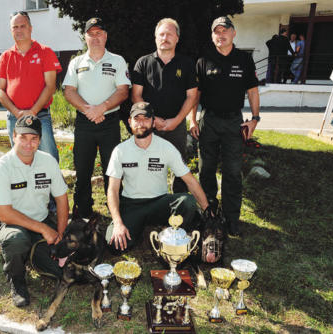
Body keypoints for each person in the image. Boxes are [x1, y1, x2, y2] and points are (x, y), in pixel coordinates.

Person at [0, 115, 69, 307]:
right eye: (23, 137)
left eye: (33, 139)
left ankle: (34, 255)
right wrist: (43, 229)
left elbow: (62, 199)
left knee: (60, 271)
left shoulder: (48, 161)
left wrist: (61, 234)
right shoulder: (1, 168)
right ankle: (17, 282)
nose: (28, 143)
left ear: (40, 140)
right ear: (14, 136)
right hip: (11, 225)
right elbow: (5, 213)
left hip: (42, 220)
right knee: (16, 241)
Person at [105, 102, 211, 251]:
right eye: (137, 119)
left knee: (188, 202)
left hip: (160, 203)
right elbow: (112, 190)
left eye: (146, 118)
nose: (141, 123)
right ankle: (144, 230)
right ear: (130, 122)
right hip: (132, 205)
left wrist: (208, 210)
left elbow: (190, 181)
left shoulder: (166, 147)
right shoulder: (120, 150)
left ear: (153, 122)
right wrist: (117, 222)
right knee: (114, 244)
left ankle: (168, 233)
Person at [190, 16, 260, 236]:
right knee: (206, 170)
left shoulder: (244, 59)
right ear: (212, 35)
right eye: (216, 32)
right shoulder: (203, 60)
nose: (220, 35)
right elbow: (196, 94)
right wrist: (192, 120)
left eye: (225, 30)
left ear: (233, 33)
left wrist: (255, 118)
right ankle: (209, 213)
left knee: (232, 171)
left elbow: (252, 91)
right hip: (208, 120)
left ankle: (232, 218)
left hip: (233, 122)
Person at [62, 17, 131, 219]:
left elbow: (123, 91)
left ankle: (115, 210)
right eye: (91, 34)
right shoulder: (76, 62)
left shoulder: (117, 61)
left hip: (109, 122)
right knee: (83, 169)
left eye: (99, 33)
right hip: (84, 123)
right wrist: (88, 110)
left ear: (105, 36)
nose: (95, 37)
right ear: (85, 37)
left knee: (113, 169)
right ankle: (82, 212)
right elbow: (69, 91)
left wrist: (102, 108)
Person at [132, 18, 198, 193]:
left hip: (176, 127)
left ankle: (180, 206)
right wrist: (152, 119)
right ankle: (149, 202)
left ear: (177, 38)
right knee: (148, 166)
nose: (165, 37)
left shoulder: (187, 64)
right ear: (155, 38)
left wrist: (176, 121)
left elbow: (191, 96)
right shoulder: (143, 63)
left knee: (180, 169)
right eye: (161, 34)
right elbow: (136, 95)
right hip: (148, 125)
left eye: (169, 34)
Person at [0, 11, 61, 162]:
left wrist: (33, 111)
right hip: (14, 118)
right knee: (19, 160)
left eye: (22, 26)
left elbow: (50, 86)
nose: (18, 30)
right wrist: (17, 112)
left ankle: (53, 186)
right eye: (15, 27)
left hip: (40, 115)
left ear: (30, 28)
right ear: (11, 31)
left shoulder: (45, 52)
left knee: (49, 158)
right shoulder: (6, 56)